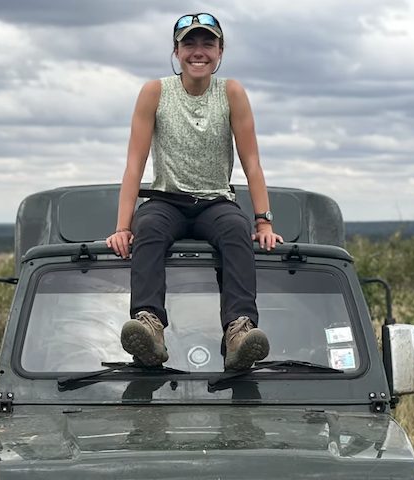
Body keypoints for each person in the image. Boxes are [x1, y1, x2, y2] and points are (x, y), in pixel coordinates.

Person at [106, 13, 283, 371]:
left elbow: (252, 164)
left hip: (216, 201)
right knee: (148, 228)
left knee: (236, 230)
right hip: (165, 200)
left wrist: (263, 222)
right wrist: (123, 227)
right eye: (189, 43)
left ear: (220, 51)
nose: (197, 52)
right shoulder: (154, 92)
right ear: (176, 51)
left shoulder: (231, 92)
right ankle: (149, 326)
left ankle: (238, 330)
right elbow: (134, 164)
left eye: (207, 43)